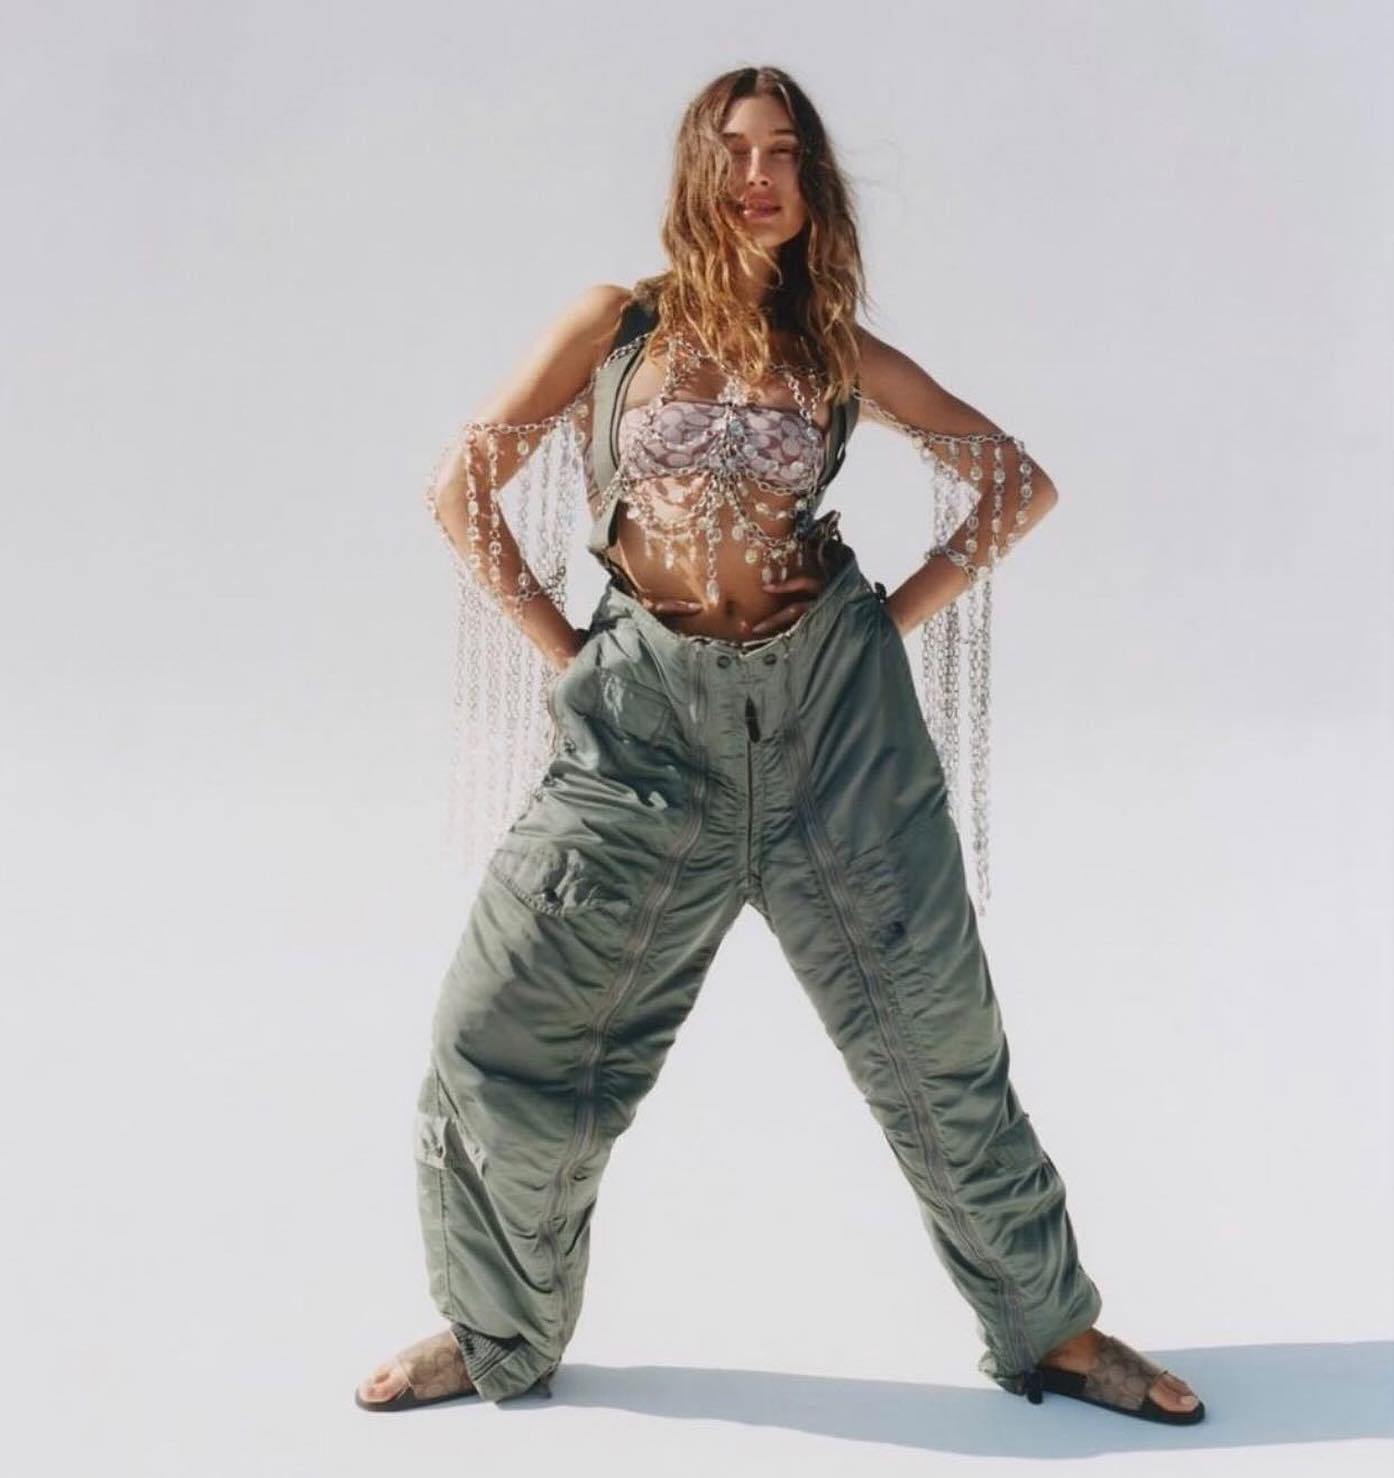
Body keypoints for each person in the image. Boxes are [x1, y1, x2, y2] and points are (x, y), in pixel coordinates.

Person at [356, 65, 1205, 1426]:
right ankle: (496, 1328)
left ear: (812, 184)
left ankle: (1050, 1329)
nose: (759, 177)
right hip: (642, 742)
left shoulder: (831, 346)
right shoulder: (614, 322)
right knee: (501, 1025)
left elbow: (1014, 479)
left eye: (785, 154)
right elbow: (461, 486)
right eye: (736, 151)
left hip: (835, 740)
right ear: (696, 171)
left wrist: (881, 624)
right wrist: (567, 650)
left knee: (939, 1041)